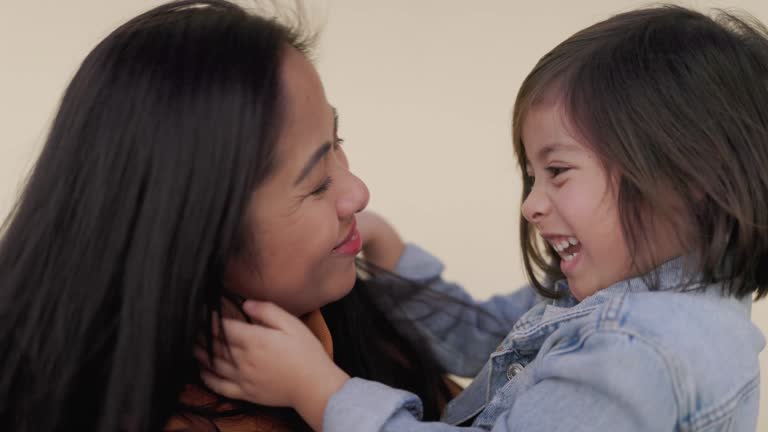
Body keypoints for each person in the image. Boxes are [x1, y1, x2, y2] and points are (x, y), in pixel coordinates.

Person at [200, 5, 768, 431]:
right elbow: (481, 337)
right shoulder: (619, 296)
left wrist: (319, 391)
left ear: (686, 178)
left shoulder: (636, 353)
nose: (531, 204)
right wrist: (393, 253)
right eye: (530, 176)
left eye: (559, 171)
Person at [0, 1, 459, 431]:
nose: (358, 193)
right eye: (317, 182)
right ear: (193, 235)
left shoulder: (356, 332)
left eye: (338, 141)